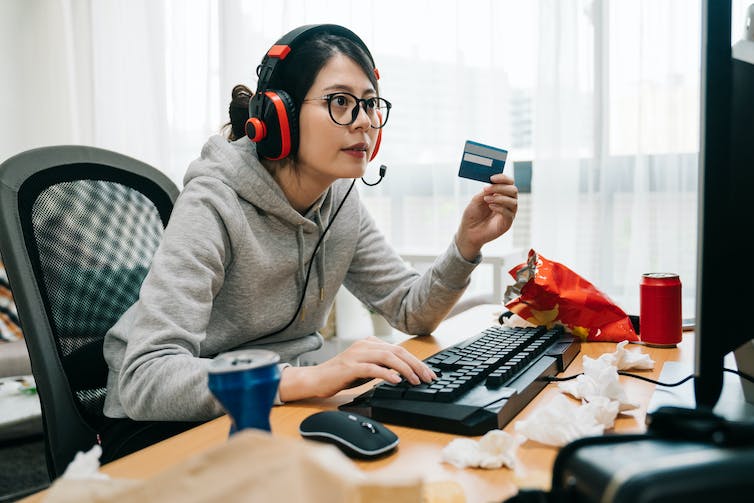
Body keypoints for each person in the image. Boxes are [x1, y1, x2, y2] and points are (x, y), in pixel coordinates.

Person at [100, 24, 518, 461]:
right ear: (281, 116)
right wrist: (308, 378)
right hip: (164, 429)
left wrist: (466, 247)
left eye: (370, 104)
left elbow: (410, 310)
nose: (363, 121)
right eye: (340, 102)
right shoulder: (213, 202)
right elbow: (145, 378)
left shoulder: (338, 199)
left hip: (276, 410)